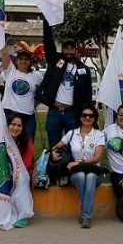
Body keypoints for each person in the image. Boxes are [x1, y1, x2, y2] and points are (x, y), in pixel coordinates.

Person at [37, 18, 93, 147]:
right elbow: (48, 41)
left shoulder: (83, 69)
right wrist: (47, 20)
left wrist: (87, 113)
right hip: (54, 112)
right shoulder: (55, 61)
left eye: (71, 48)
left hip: (72, 113)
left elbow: (88, 94)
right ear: (62, 49)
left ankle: (69, 161)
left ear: (76, 50)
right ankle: (53, 161)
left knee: (73, 145)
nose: (69, 51)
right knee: (54, 145)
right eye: (66, 48)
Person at [49, 104, 105, 229]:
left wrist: (78, 162)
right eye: (84, 115)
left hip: (95, 172)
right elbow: (56, 146)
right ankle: (87, 208)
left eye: (91, 116)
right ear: (80, 117)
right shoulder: (72, 133)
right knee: (80, 176)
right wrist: (53, 152)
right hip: (76, 173)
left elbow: (97, 158)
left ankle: (85, 215)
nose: (87, 118)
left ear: (94, 118)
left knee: (90, 177)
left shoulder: (99, 135)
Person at [0, 112, 35, 228]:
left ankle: (23, 216)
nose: (15, 128)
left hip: (21, 173)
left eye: (19, 125)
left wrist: (16, 174)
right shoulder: (0, 140)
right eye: (13, 124)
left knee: (22, 182)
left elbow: (27, 162)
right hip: (3, 172)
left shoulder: (26, 141)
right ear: (7, 125)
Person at [0, 46, 43, 140]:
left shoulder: (36, 76)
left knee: (28, 142)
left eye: (26, 59)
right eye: (21, 59)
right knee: (6, 141)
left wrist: (34, 104)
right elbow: (4, 53)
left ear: (30, 62)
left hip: (28, 114)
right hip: (9, 112)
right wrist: (0, 37)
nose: (23, 61)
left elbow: (43, 93)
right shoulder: (10, 71)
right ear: (16, 61)